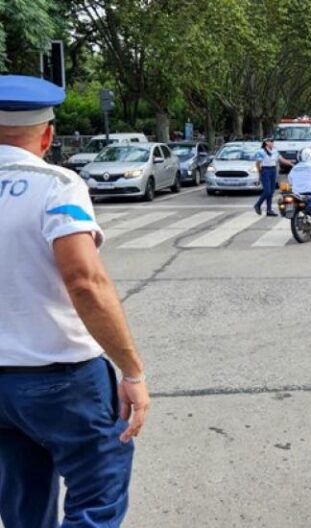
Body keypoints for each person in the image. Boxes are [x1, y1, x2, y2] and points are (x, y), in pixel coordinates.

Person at [0, 75, 149, 527]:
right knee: (96, 502)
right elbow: (85, 282)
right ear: (46, 135)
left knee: (23, 507)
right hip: (62, 381)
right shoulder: (55, 184)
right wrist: (132, 371)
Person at [254, 137, 293, 216]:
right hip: (265, 170)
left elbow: (281, 159)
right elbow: (258, 163)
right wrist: (259, 174)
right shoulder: (261, 152)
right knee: (267, 191)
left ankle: (269, 210)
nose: (272, 143)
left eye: (272, 141)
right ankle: (258, 204)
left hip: (273, 170)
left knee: (271, 192)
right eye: (270, 141)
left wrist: (291, 164)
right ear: (266, 143)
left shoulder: (275, 151)